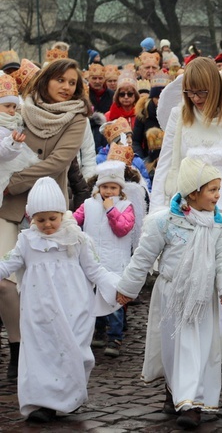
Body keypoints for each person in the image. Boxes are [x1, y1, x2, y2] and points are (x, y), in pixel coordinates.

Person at [116, 154, 222, 430]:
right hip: (172, 295)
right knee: (175, 347)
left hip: (202, 298)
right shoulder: (164, 222)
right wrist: (128, 288)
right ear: (193, 192)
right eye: (212, 190)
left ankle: (191, 402)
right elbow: (143, 257)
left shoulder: (220, 225)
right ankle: (174, 391)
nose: (218, 195)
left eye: (219, 189)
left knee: (201, 348)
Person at [0, 58, 91, 380]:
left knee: (50, 284)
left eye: (72, 83)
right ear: (46, 80)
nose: (66, 87)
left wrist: (17, 181)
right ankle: (18, 346)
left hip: (48, 206)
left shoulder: (77, 117)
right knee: (5, 283)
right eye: (61, 80)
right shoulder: (22, 108)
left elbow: (58, 161)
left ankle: (53, 349)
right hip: (8, 205)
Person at [0, 177, 119, 423]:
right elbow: (7, 264)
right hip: (38, 310)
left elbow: (95, 269)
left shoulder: (77, 239)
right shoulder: (26, 242)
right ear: (31, 217)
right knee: (41, 352)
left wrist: (118, 287)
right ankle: (43, 402)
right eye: (40, 219)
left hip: (74, 306)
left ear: (62, 213)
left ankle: (70, 395)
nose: (46, 225)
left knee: (73, 350)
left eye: (52, 218)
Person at [151, 57, 222, 212]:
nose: (195, 98)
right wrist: (155, 213)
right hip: (186, 210)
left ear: (214, 87)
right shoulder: (178, 115)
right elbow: (165, 166)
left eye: (201, 92)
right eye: (190, 92)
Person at [73, 161, 135, 358]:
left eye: (113, 187)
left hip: (115, 260)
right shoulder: (89, 205)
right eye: (105, 187)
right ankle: (98, 330)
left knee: (113, 299)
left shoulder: (126, 206)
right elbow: (75, 221)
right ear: (99, 187)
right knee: (94, 297)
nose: (108, 191)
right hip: (93, 259)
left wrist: (111, 210)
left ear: (120, 189)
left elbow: (123, 228)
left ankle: (115, 336)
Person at [0, 75, 39, 207]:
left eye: (13, 106)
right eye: (7, 106)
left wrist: (15, 143)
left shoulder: (14, 123)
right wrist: (12, 143)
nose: (11, 111)